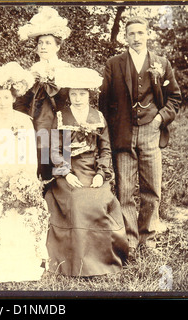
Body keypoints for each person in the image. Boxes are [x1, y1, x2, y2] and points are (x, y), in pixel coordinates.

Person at [99, 16, 181, 260]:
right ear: (125, 36)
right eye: (131, 33)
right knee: (125, 190)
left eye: (140, 33)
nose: (136, 37)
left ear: (148, 34)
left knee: (152, 188)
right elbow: (104, 102)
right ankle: (130, 240)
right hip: (123, 133)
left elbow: (174, 99)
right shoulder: (114, 64)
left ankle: (148, 237)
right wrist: (113, 129)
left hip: (150, 131)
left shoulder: (161, 63)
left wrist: (159, 120)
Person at [0, 62, 49, 284]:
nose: (2, 102)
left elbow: (29, 155)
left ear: (14, 98)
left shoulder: (23, 121)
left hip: (18, 175)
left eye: (6, 97)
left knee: (28, 203)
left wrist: (23, 180)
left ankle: (23, 258)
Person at [45, 67, 128, 277]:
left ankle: (103, 260)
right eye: (73, 93)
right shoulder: (61, 116)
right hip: (69, 170)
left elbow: (105, 149)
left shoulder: (98, 117)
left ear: (89, 94)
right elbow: (55, 150)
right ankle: (74, 263)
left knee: (99, 201)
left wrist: (101, 172)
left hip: (92, 169)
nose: (78, 98)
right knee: (76, 202)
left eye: (82, 93)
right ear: (68, 95)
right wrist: (65, 173)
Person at [15, 7, 72, 183]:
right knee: (36, 165)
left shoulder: (66, 69)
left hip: (59, 125)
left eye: (48, 43)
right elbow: (20, 103)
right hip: (34, 124)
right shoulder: (30, 71)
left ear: (58, 46)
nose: (43, 47)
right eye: (40, 43)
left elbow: (70, 101)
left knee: (57, 166)